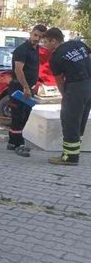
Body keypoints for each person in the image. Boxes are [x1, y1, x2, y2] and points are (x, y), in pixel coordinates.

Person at [42, 27, 91, 165]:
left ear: (54, 41)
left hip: (75, 87)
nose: (44, 45)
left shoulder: (56, 57)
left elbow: (59, 80)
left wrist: (65, 96)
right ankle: (74, 152)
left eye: (45, 42)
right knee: (80, 119)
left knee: (69, 120)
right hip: (89, 85)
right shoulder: (78, 44)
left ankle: (70, 157)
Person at [7, 24, 47, 157]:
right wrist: (25, 87)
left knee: (25, 116)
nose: (37, 39)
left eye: (40, 37)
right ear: (31, 33)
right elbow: (18, 69)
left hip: (28, 89)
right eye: (35, 35)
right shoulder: (22, 49)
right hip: (19, 88)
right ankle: (18, 144)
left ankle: (13, 142)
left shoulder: (35, 49)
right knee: (18, 116)